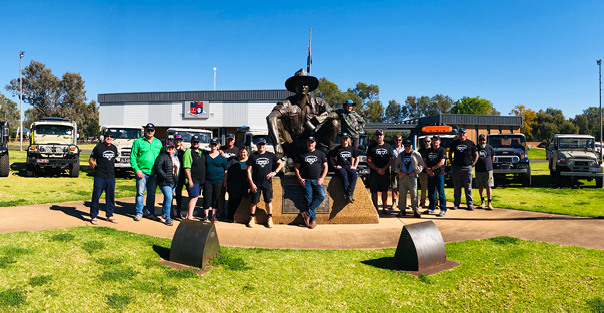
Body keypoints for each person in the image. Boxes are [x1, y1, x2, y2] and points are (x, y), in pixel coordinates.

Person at [266, 69, 339, 159]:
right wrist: (277, 144)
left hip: (312, 141)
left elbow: (335, 114)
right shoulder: (286, 103)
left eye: (305, 84)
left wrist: (323, 118)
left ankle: (320, 156)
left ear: (309, 87)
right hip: (290, 142)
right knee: (275, 121)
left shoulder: (318, 102)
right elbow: (270, 117)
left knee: (334, 123)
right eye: (299, 84)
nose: (303, 87)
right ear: (294, 86)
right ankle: (284, 158)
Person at [247, 138, 283, 228]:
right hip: (256, 183)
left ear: (265, 145)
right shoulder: (253, 156)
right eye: (259, 144)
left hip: (267, 182)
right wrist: (251, 183)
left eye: (263, 145)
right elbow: (248, 170)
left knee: (268, 201)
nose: (261, 146)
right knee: (254, 202)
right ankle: (252, 218)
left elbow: (280, 163)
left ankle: (269, 218)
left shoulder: (270, 155)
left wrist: (275, 172)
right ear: (257, 145)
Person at [130, 123, 163, 221]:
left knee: (151, 193)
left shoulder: (158, 142)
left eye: (152, 130)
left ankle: (150, 213)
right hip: (142, 172)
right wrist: (136, 169)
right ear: (145, 131)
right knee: (140, 193)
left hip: (154, 173)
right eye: (148, 130)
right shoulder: (138, 142)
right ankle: (139, 213)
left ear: (154, 131)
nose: (150, 132)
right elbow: (132, 157)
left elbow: (162, 157)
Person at [294, 137, 328, 229]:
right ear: (307, 143)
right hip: (306, 181)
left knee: (321, 196)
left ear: (315, 144)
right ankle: (313, 220)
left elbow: (325, 167)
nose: (310, 144)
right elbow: (296, 167)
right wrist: (300, 178)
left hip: (317, 180)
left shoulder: (320, 154)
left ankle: (307, 213)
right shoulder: (302, 154)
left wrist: (322, 178)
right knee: (309, 200)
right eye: (309, 142)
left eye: (312, 142)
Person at [88, 130, 118, 225]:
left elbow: (113, 159)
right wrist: (96, 170)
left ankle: (109, 215)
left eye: (111, 136)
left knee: (110, 197)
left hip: (111, 177)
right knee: (96, 196)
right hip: (100, 177)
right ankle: (93, 216)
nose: (109, 138)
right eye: (107, 136)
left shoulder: (114, 148)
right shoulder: (98, 148)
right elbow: (91, 160)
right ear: (104, 137)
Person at [448, 128, 479, 211]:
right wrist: (451, 163)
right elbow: (450, 153)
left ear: (466, 134)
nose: (462, 134)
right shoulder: (454, 143)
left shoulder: (470, 143)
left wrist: (473, 164)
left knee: (468, 187)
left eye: (463, 133)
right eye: (460, 133)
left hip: (467, 167)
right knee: (457, 187)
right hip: (456, 168)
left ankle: (469, 204)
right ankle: (456, 204)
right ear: (458, 134)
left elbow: (476, 154)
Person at [366, 129, 394, 215]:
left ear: (383, 135)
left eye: (380, 135)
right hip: (374, 172)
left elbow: (391, 159)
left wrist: (384, 169)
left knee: (384, 190)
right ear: (375, 136)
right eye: (377, 135)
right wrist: (377, 169)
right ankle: (375, 208)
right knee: (374, 190)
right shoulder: (372, 147)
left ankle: (384, 208)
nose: (379, 136)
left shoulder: (388, 146)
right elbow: (368, 160)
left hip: (385, 172)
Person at [394, 139, 423, 218]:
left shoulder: (416, 154)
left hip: (412, 176)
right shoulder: (401, 155)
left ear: (411, 146)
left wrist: (416, 171)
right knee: (402, 194)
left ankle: (415, 210)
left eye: (408, 146)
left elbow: (421, 164)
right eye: (405, 146)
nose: (407, 147)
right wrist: (400, 172)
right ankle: (402, 210)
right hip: (403, 177)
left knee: (414, 194)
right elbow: (396, 165)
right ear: (404, 146)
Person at [154, 141, 179, 226]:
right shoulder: (162, 156)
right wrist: (165, 176)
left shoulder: (175, 157)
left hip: (173, 182)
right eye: (168, 147)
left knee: (168, 199)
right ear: (165, 147)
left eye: (171, 147)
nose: (170, 148)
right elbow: (158, 167)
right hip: (164, 182)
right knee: (169, 197)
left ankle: (164, 215)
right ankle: (167, 217)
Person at [203, 138, 228, 223]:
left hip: (219, 180)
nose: (213, 146)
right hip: (207, 180)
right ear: (210, 145)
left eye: (215, 144)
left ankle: (214, 215)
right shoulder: (206, 155)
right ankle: (206, 215)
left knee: (215, 198)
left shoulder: (221, 157)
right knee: (206, 197)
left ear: (218, 145)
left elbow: (226, 169)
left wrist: (225, 180)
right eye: (212, 144)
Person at [330, 133, 359, 202]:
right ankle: (347, 194)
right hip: (341, 167)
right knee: (344, 176)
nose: (345, 140)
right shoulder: (337, 148)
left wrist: (354, 166)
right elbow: (331, 158)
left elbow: (357, 158)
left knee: (354, 175)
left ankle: (349, 194)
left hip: (349, 166)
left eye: (346, 138)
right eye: (343, 138)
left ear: (348, 139)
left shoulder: (351, 148)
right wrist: (335, 166)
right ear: (341, 139)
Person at [423, 135, 448, 217]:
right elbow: (424, 160)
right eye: (433, 140)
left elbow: (442, 162)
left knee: (440, 192)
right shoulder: (428, 150)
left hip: (439, 174)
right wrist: (427, 169)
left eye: (436, 140)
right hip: (430, 174)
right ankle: (431, 207)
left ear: (439, 141)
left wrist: (432, 169)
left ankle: (443, 209)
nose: (435, 141)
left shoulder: (442, 150)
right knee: (431, 192)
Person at [183, 135, 206, 221]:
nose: (195, 143)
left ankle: (188, 215)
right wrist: (190, 180)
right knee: (194, 197)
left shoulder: (201, 152)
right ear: (191, 142)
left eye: (197, 142)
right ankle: (189, 216)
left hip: (200, 180)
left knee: (194, 197)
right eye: (194, 142)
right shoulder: (188, 152)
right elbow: (186, 168)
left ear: (199, 143)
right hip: (193, 179)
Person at [225, 145, 250, 223]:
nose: (242, 154)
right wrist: (225, 180)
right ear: (238, 152)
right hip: (233, 184)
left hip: (244, 185)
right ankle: (230, 216)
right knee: (232, 201)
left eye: (244, 152)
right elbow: (226, 170)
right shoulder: (233, 160)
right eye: (241, 152)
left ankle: (239, 217)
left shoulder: (249, 162)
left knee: (240, 201)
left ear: (247, 152)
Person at [218, 133, 239, 219]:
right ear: (226, 139)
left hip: (233, 175)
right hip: (222, 174)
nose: (230, 141)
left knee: (231, 193)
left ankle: (231, 212)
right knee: (221, 194)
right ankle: (222, 211)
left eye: (231, 139)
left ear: (234, 140)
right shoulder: (221, 149)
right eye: (228, 139)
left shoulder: (237, 150)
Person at [475, 134, 495, 210]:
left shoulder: (489, 147)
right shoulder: (476, 148)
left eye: (483, 140)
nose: (482, 141)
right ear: (478, 140)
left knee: (488, 186)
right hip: (478, 170)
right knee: (480, 186)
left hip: (488, 170)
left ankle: (489, 203)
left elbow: (492, 158)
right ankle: (482, 202)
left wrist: (489, 164)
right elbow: (473, 157)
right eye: (480, 140)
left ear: (485, 140)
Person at [173, 134, 186, 219]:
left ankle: (179, 211)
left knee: (178, 193)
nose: (178, 141)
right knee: (170, 193)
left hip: (181, 175)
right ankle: (170, 211)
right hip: (172, 174)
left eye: (180, 140)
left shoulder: (184, 150)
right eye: (177, 140)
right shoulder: (171, 149)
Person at [390, 134, 405, 209]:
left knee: (403, 187)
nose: (398, 141)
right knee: (394, 187)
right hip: (394, 170)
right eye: (396, 140)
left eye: (399, 140)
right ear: (394, 140)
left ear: (401, 140)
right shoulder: (391, 148)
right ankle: (394, 202)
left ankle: (402, 203)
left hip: (403, 171)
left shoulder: (404, 148)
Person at [417, 137, 431, 208]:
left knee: (433, 188)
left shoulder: (433, 149)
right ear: (423, 142)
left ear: (430, 141)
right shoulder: (420, 150)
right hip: (423, 171)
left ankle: (435, 202)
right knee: (423, 187)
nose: (427, 143)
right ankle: (422, 202)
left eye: (428, 141)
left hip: (432, 171)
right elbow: (418, 160)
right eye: (426, 141)